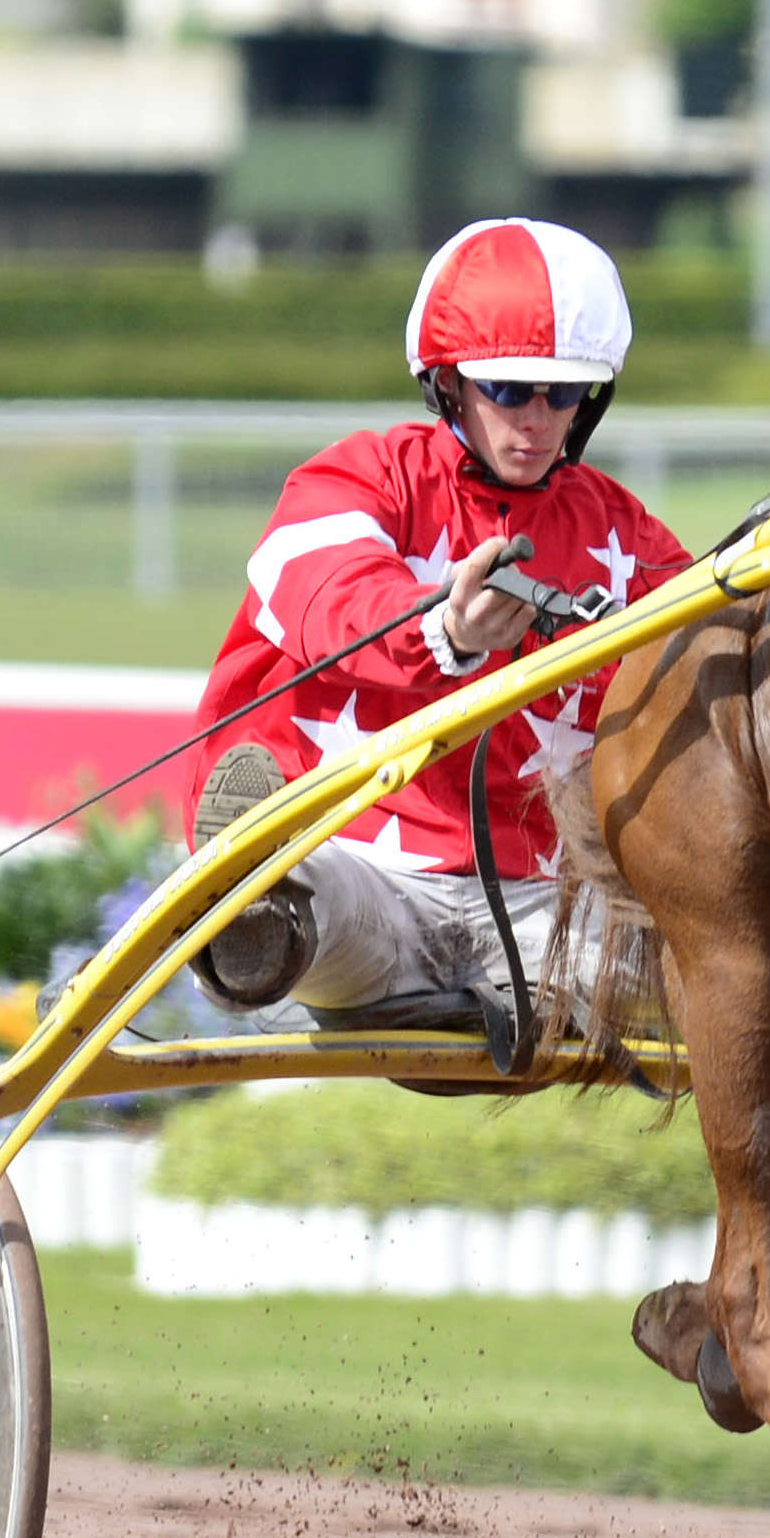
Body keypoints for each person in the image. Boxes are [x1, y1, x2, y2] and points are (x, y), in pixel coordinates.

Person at [183, 215, 690, 1018]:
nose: (536, 417)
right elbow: (326, 599)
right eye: (509, 388)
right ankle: (252, 902)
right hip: (368, 873)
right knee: (320, 899)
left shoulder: (631, 537)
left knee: (732, 955)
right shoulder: (358, 476)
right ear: (448, 382)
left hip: (546, 912)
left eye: (562, 393)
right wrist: (445, 634)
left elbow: (711, 668)